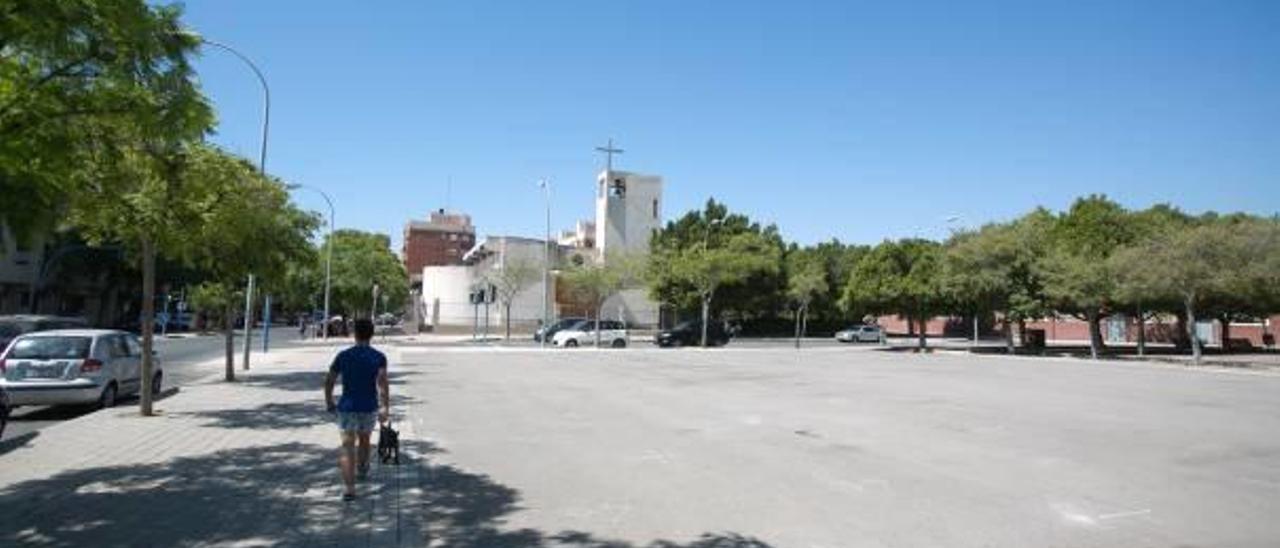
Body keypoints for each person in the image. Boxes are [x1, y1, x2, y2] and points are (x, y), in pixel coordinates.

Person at [323, 318, 390, 501]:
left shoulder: (343, 356)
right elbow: (382, 384)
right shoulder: (379, 357)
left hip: (347, 407)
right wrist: (385, 407)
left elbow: (329, 381)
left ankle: (349, 489)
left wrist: (329, 401)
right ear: (372, 334)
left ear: (355, 334)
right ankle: (362, 467)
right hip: (368, 406)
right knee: (365, 439)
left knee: (347, 447)